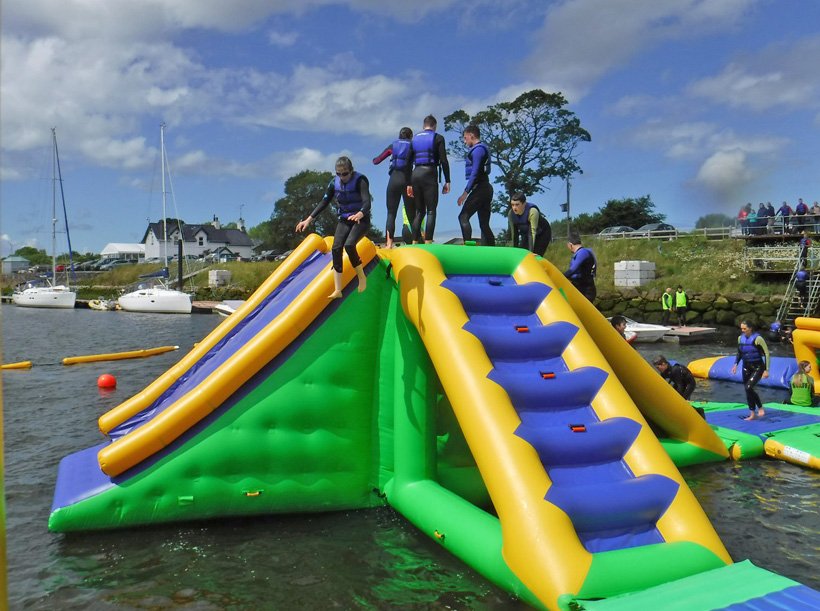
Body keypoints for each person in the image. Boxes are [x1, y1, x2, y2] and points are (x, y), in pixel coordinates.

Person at [295, 156, 370, 298]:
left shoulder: (360, 181)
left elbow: (367, 202)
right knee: (336, 248)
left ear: (351, 171)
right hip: (344, 219)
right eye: (338, 174)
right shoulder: (333, 183)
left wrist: (360, 213)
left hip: (361, 220)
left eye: (345, 173)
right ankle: (338, 290)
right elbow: (323, 203)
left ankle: (362, 277)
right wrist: (308, 220)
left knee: (349, 245)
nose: (342, 177)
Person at [406, 115, 451, 243]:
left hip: (416, 173)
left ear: (423, 126)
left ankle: (414, 241)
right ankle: (428, 242)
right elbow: (444, 160)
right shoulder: (438, 138)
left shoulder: (414, 139)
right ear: (435, 126)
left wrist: (409, 183)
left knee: (420, 212)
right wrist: (447, 181)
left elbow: (408, 162)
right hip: (430, 173)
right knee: (431, 210)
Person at [372, 127, 413, 249]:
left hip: (393, 180)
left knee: (391, 213)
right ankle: (417, 241)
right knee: (411, 214)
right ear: (410, 136)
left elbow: (376, 161)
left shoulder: (392, 146)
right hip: (407, 181)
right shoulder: (413, 146)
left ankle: (389, 244)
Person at [456, 125, 494, 246]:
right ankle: (493, 251)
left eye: (465, 138)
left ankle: (468, 248)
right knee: (484, 224)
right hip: (485, 188)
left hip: (481, 189)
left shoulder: (478, 150)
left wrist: (465, 193)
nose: (464, 141)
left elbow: (475, 172)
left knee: (463, 217)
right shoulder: (481, 149)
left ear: (471, 136)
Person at [730, 320, 770, 420]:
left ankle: (758, 408)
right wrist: (735, 364)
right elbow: (739, 353)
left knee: (748, 387)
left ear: (750, 328)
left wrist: (766, 369)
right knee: (748, 389)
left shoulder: (758, 338)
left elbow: (766, 353)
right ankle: (753, 413)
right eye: (741, 329)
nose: (742, 330)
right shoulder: (740, 338)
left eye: (745, 329)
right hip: (746, 367)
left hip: (758, 367)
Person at [564, 234, 597, 302]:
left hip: (586, 291)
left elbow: (573, 270)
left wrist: (560, 276)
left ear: (570, 245)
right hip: (580, 289)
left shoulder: (583, 253)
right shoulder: (581, 253)